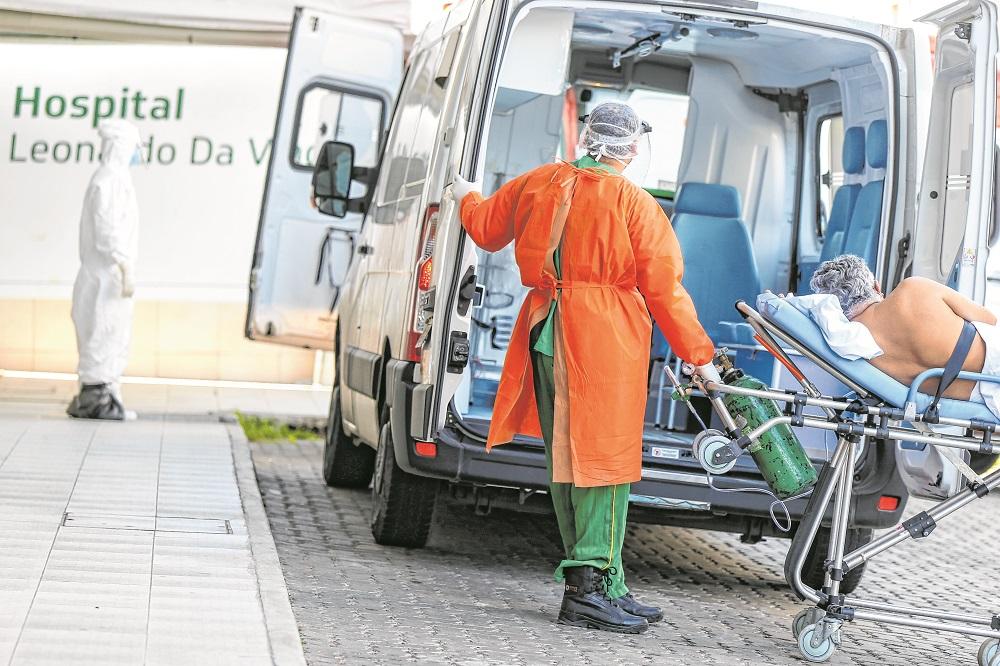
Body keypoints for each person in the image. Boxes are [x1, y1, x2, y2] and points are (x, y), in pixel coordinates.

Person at [453, 101, 717, 634]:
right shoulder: (635, 204)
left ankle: (606, 580)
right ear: (632, 149)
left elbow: (483, 228)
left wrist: (464, 193)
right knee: (605, 464)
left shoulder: (540, 181)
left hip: (546, 332)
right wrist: (702, 360)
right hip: (604, 339)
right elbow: (665, 290)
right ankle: (588, 587)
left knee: (570, 464)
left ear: (587, 137)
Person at [809, 254, 997, 405]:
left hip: (985, 403)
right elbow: (990, 320)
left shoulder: (855, 352)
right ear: (876, 286)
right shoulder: (913, 289)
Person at [67, 120, 143, 421]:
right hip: (105, 275)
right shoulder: (108, 180)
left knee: (112, 335)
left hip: (110, 275)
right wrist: (123, 262)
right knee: (101, 334)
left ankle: (107, 398)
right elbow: (107, 228)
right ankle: (96, 401)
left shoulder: (116, 179)